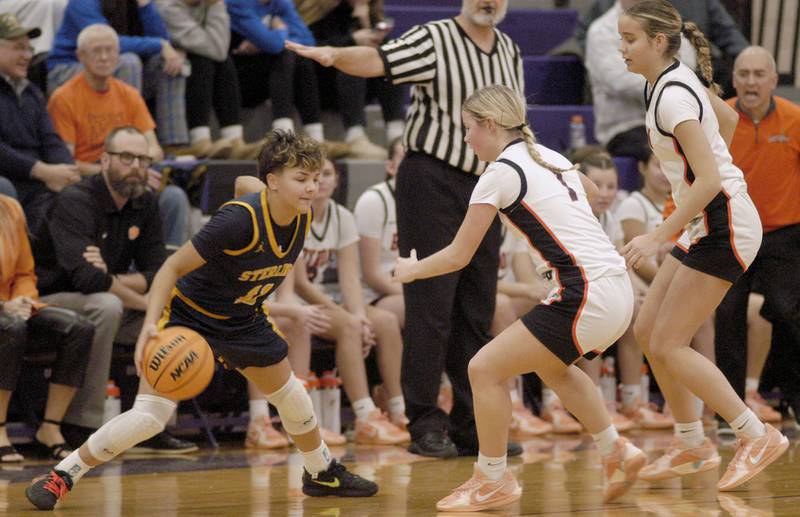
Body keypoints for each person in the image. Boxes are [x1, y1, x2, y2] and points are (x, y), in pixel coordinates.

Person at [25, 130, 378, 511]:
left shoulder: (300, 212)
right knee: (150, 416)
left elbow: (246, 182)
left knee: (291, 393)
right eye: (301, 179)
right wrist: (149, 327)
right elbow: (170, 268)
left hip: (243, 318)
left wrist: (263, 185)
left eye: (315, 178)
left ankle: (321, 471)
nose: (312, 189)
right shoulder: (236, 222)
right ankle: (62, 475)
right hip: (191, 318)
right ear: (273, 182)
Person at [287, 0, 526, 459]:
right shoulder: (435, 37)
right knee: (431, 302)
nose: (488, 2)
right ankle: (424, 421)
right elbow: (380, 61)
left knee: (478, 306)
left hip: (488, 182)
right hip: (431, 178)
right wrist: (335, 56)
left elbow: (516, 124)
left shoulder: (511, 50)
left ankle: (473, 422)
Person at [394, 84, 645, 511]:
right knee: (552, 367)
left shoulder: (499, 174)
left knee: (483, 368)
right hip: (615, 287)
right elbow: (590, 193)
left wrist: (413, 269)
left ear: (490, 125)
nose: (467, 139)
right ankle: (615, 449)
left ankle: (492, 479)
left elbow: (458, 255)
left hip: (586, 292)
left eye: (469, 129)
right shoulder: (552, 156)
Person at [618, 0, 787, 490]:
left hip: (724, 222)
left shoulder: (672, 96)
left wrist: (657, 233)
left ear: (658, 42)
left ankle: (754, 434)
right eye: (620, 39)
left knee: (669, 342)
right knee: (649, 332)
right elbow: (729, 127)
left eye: (630, 40)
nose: (622, 49)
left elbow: (710, 177)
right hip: (706, 222)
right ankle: (691, 441)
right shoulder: (671, 78)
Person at [32, 126, 194, 454]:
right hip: (49, 301)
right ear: (105, 160)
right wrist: (142, 300)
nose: (135, 165)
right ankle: (84, 426)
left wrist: (115, 279)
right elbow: (85, 279)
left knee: (170, 318)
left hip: (109, 299)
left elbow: (156, 269)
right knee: (108, 306)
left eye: (143, 159)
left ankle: (153, 425)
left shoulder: (145, 202)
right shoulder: (75, 200)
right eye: (126, 157)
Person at [715, 45, 800, 427]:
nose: (751, 81)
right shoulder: (718, 119)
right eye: (744, 74)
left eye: (759, 74)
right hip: (732, 231)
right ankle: (730, 415)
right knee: (728, 315)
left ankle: (790, 398)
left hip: (785, 234)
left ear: (774, 80)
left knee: (789, 312)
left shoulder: (795, 119)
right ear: (733, 80)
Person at [47, 24, 190, 249]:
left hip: (130, 174)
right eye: (96, 51)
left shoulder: (129, 94)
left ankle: (172, 267)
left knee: (174, 197)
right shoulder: (63, 99)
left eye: (110, 50)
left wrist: (137, 168)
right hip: (90, 180)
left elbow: (154, 148)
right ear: (80, 56)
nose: (104, 57)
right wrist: (116, 170)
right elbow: (66, 163)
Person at [0, 194, 93, 463]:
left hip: (13, 304)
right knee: (12, 327)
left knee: (79, 328)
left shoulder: (10, 207)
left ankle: (50, 428)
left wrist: (25, 301)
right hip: (6, 312)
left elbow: (24, 273)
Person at [47, 0, 189, 150]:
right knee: (129, 62)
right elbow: (105, 44)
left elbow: (163, 41)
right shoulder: (82, 3)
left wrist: (146, 6)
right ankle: (130, 145)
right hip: (68, 67)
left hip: (121, 65)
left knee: (173, 61)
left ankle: (173, 144)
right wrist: (159, 44)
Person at [0, 13, 80, 237]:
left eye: (29, 48)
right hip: (11, 180)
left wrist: (68, 171)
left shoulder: (31, 92)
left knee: (77, 194)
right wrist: (41, 171)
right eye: (19, 48)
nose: (27, 55)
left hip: (38, 183)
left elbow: (50, 139)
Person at [154, 0, 265, 159]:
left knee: (224, 63)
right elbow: (215, 49)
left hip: (202, 58)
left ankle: (234, 141)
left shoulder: (213, 4)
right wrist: (215, 8)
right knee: (202, 62)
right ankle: (200, 140)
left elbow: (220, 49)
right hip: (166, 65)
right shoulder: (167, 6)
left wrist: (216, 6)